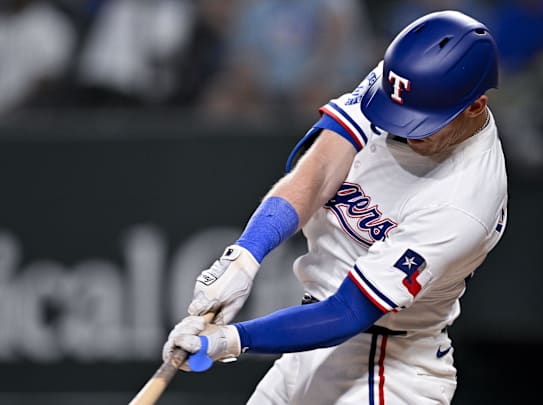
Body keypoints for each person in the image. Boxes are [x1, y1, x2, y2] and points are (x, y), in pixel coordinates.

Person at [163, 10, 508, 404]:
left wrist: (230, 340)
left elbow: (349, 311)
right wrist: (245, 255)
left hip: (389, 368)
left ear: (475, 106)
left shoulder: (465, 201)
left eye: (422, 123)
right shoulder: (404, 85)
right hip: (311, 340)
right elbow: (319, 170)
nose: (405, 128)